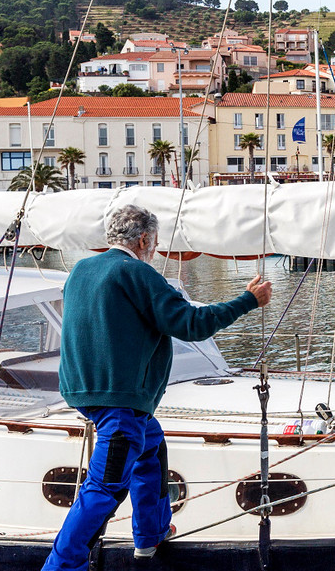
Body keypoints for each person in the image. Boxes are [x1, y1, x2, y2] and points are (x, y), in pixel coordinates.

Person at [43, 205, 272, 570]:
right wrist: (248, 301)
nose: (156, 249)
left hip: (85, 393)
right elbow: (192, 324)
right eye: (156, 242)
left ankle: (150, 535)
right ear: (145, 239)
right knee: (105, 488)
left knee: (150, 447)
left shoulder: (81, 270)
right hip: (120, 403)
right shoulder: (137, 273)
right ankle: (61, 566)